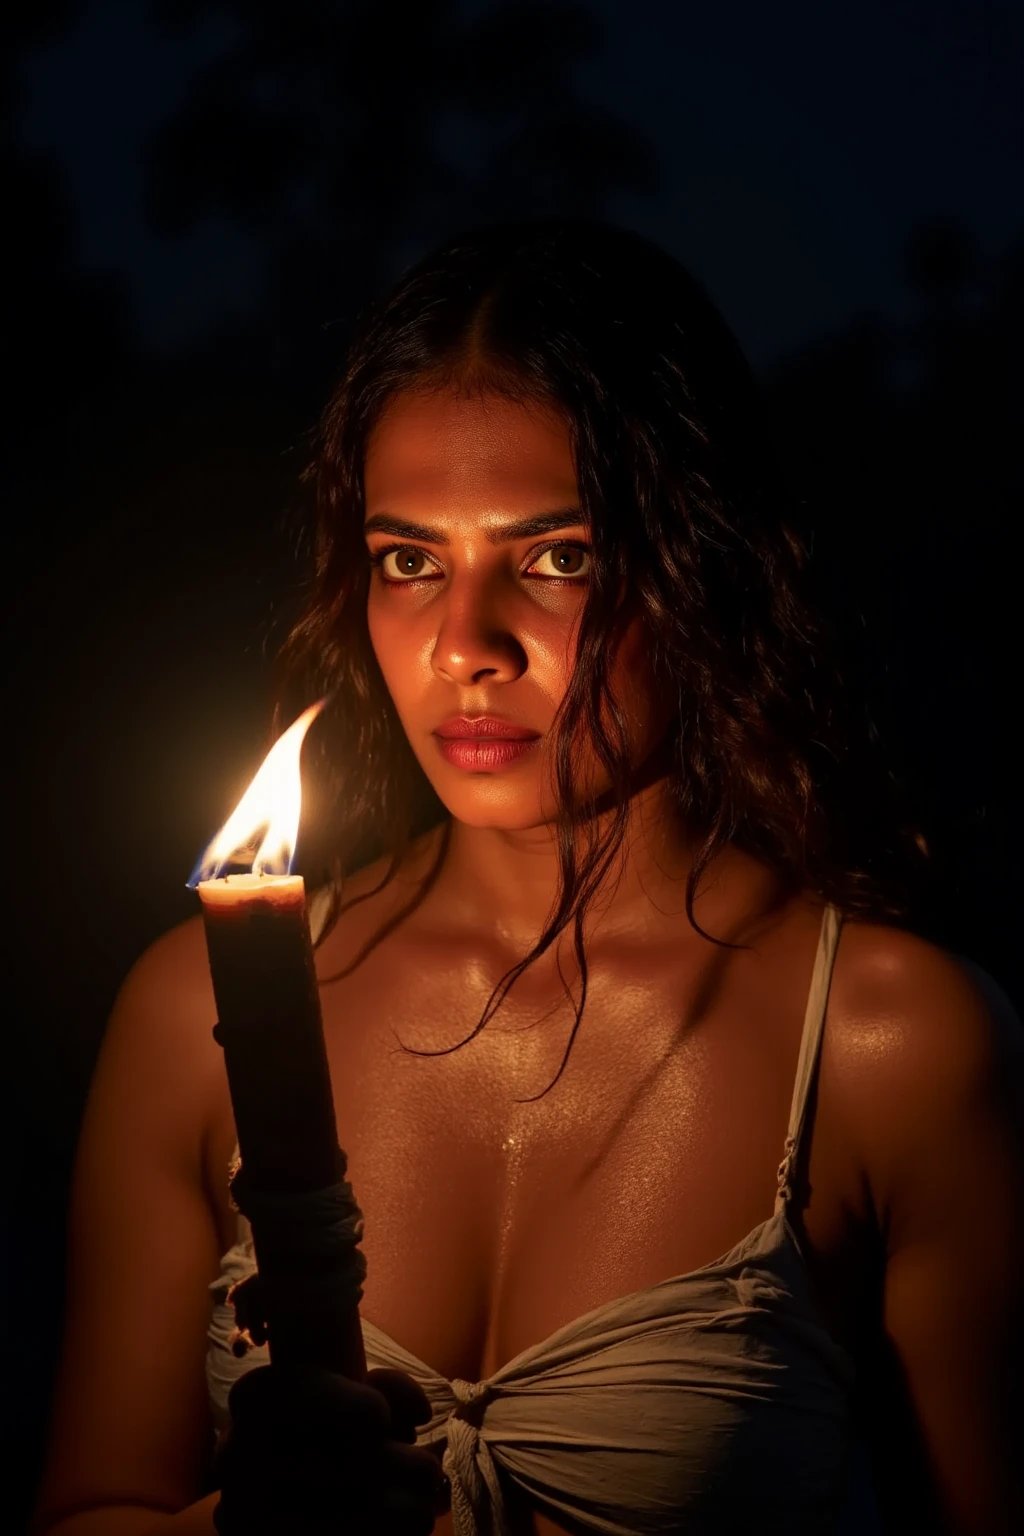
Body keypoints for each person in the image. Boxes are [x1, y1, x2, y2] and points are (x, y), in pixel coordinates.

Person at [32, 220, 1022, 1536]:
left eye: (558, 559)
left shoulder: (891, 1047)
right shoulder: (196, 1015)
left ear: (703, 566)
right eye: (410, 561)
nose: (465, 646)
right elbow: (89, 1507)